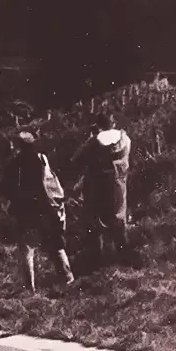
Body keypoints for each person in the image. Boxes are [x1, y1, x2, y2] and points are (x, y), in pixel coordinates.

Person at [2, 131, 74, 293]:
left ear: (18, 146)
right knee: (55, 245)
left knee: (27, 250)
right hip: (46, 208)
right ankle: (69, 279)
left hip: (26, 211)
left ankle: (31, 289)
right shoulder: (42, 159)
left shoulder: (13, 164)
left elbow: (6, 188)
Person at [73, 112, 133, 270]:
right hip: (119, 183)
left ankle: (96, 262)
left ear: (98, 125)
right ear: (113, 124)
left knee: (94, 222)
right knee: (119, 219)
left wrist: (92, 137)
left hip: (97, 186)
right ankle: (124, 257)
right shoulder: (124, 138)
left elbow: (77, 158)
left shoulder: (94, 142)